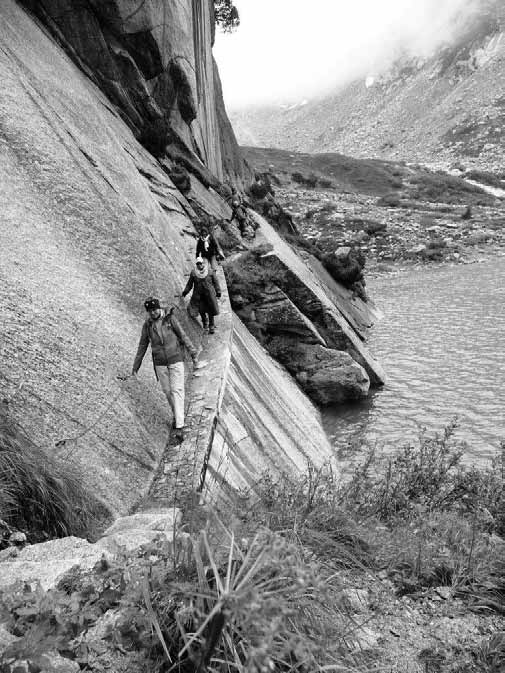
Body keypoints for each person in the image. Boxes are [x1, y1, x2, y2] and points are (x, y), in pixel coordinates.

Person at [132, 297, 199, 442]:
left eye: (154, 310)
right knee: (168, 392)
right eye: (150, 311)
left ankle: (180, 428)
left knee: (177, 391)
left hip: (175, 359)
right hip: (160, 364)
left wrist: (193, 353)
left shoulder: (170, 319)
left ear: (159, 308)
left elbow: (183, 335)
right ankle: (177, 415)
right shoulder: (147, 326)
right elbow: (142, 345)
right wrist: (136, 366)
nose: (153, 313)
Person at [182, 257, 221, 334]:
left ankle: (211, 326)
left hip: (209, 296)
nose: (200, 265)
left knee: (211, 310)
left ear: (204, 263)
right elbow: (189, 285)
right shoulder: (194, 273)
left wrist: (218, 291)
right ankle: (205, 323)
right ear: (196, 264)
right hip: (199, 296)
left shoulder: (210, 272)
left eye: (201, 263)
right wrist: (185, 292)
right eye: (198, 264)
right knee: (201, 310)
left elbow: (216, 282)